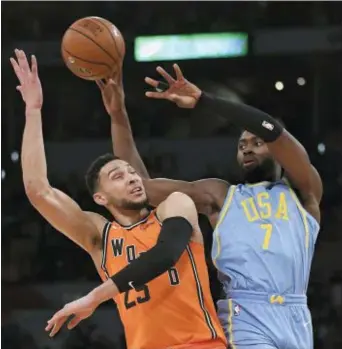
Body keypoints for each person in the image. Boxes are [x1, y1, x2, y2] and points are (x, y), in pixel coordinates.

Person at [85, 64, 322, 349]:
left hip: (297, 314)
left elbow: (274, 131)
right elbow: (140, 187)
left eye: (256, 142)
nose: (246, 147)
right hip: (244, 313)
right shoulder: (220, 195)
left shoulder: (304, 192)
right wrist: (118, 115)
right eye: (241, 144)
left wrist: (205, 100)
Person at [10, 49, 227, 349]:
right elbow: (38, 190)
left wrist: (94, 297)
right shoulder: (101, 238)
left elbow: (164, 255)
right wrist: (33, 111)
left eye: (132, 173)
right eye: (118, 176)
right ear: (100, 198)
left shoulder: (175, 206)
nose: (133, 178)